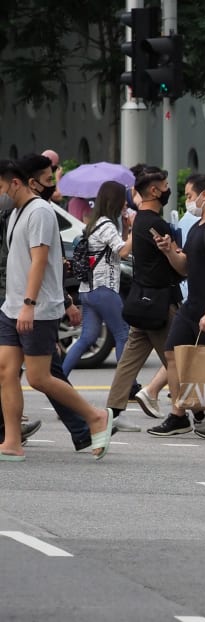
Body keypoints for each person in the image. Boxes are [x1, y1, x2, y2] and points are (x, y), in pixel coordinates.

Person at [0, 157, 113, 461]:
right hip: (11, 306)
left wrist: (29, 304)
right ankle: (12, 441)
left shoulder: (39, 211)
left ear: (15, 183)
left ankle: (95, 416)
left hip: (35, 309)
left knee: (38, 378)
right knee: (5, 372)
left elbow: (40, 262)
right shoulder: (16, 213)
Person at [147, 174, 205, 440]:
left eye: (190, 195)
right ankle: (179, 415)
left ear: (204, 195)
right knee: (172, 353)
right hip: (192, 305)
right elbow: (186, 267)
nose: (188, 201)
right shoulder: (198, 227)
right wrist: (169, 251)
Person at [106, 167, 185, 426]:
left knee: (130, 360)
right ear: (154, 191)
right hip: (161, 303)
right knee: (176, 360)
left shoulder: (139, 219)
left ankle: (112, 413)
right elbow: (180, 266)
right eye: (165, 186)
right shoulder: (157, 224)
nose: (167, 190)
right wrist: (180, 256)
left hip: (142, 300)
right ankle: (189, 413)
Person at [61, 181, 132, 382]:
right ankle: (128, 385)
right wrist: (135, 232)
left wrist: (126, 230)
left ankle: (61, 380)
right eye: (124, 200)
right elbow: (123, 251)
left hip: (88, 290)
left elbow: (118, 250)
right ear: (115, 201)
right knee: (122, 335)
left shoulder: (95, 224)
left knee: (87, 338)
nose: (126, 204)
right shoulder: (106, 225)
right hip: (104, 290)